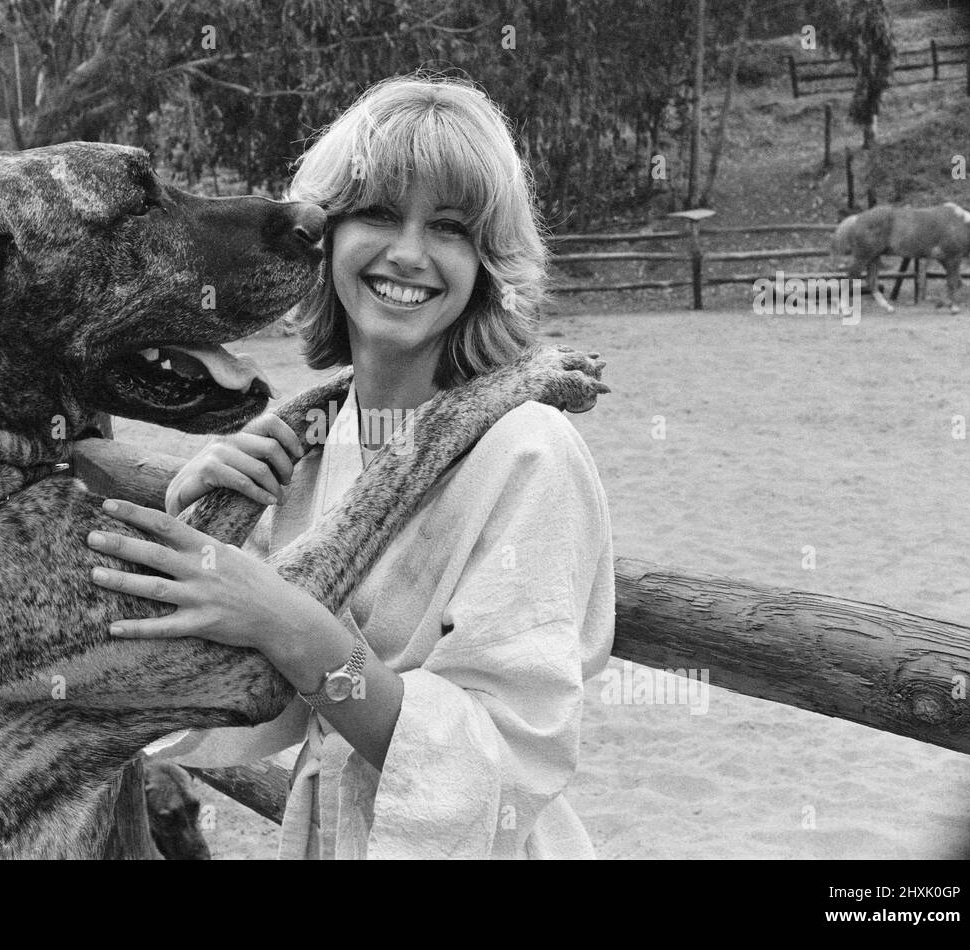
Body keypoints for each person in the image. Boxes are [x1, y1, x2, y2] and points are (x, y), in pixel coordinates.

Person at [84, 74, 615, 859]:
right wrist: (204, 518)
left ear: (488, 261)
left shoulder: (529, 450)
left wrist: (290, 623)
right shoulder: (312, 440)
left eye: (449, 227)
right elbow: (231, 703)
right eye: (376, 213)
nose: (408, 253)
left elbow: (501, 760)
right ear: (324, 234)